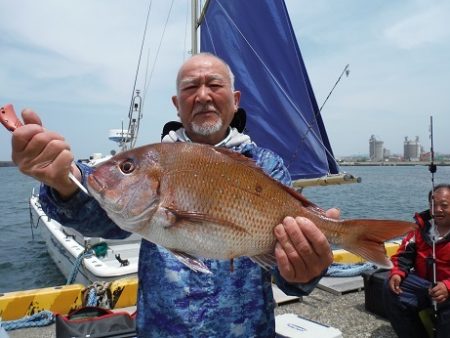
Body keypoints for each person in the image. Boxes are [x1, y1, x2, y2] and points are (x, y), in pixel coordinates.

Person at [11, 53, 336, 337]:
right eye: (191, 87)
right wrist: (66, 181)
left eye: (215, 84)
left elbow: (285, 267)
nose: (204, 95)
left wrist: (304, 274)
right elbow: (101, 216)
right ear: (176, 104)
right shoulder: (153, 161)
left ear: (236, 100)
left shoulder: (266, 167)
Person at [384, 184, 450, 338]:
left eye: (444, 205)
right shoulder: (420, 228)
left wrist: (447, 286)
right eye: (433, 205)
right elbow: (404, 255)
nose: (438, 210)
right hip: (424, 286)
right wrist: (397, 273)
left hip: (447, 290)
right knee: (390, 287)